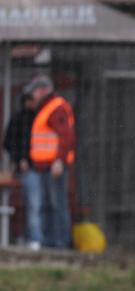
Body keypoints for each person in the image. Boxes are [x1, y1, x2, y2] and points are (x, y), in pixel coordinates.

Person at [26, 75, 75, 249]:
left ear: (43, 90)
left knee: (58, 204)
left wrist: (59, 161)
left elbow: (66, 136)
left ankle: (61, 242)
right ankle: (48, 242)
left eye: (35, 91)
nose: (33, 95)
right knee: (46, 205)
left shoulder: (56, 107)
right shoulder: (46, 107)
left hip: (54, 166)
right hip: (43, 167)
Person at [2, 93, 38, 249]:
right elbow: (9, 142)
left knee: (32, 204)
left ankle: (32, 237)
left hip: (38, 166)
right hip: (28, 168)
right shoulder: (21, 119)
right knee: (30, 204)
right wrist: (20, 159)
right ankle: (30, 237)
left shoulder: (37, 118)